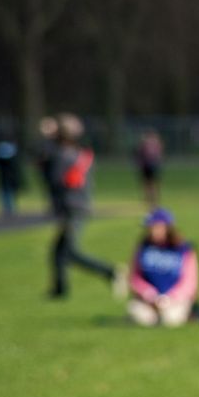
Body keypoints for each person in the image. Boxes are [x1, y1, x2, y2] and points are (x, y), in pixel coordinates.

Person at [47, 113, 127, 300]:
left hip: (71, 208)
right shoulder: (80, 155)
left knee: (69, 251)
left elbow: (55, 180)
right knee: (58, 251)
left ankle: (110, 272)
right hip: (79, 205)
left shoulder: (61, 156)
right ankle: (59, 290)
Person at [127, 207, 199, 327]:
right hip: (148, 301)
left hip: (175, 300)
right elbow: (134, 277)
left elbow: (190, 281)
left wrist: (170, 298)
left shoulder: (183, 249)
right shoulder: (143, 248)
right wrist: (149, 294)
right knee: (141, 318)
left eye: (155, 227)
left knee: (170, 319)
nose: (151, 231)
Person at [0, 132, 23, 217]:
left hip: (4, 174)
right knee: (7, 191)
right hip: (7, 174)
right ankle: (9, 209)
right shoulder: (9, 148)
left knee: (5, 191)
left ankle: (8, 209)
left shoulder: (1, 148)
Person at [134, 129, 164, 206]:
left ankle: (150, 199)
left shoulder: (145, 142)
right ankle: (152, 199)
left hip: (149, 164)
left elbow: (140, 153)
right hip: (151, 164)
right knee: (151, 182)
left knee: (148, 182)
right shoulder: (156, 142)